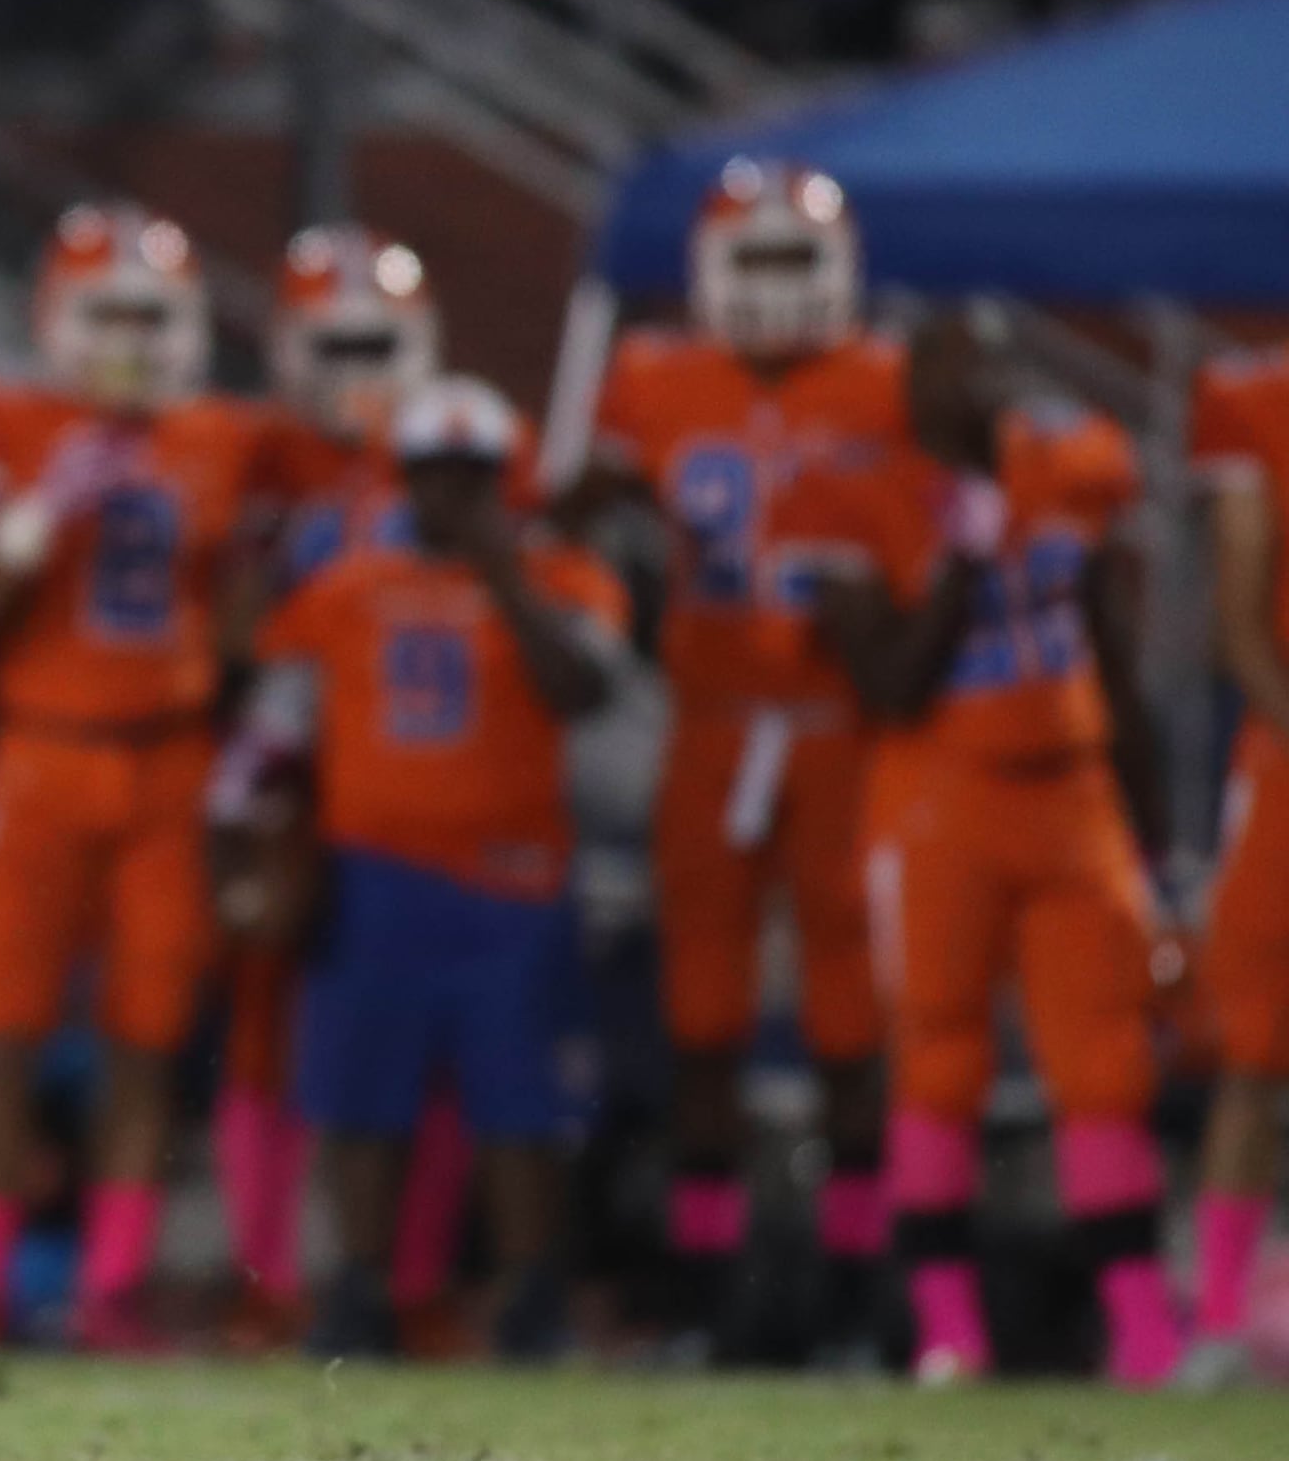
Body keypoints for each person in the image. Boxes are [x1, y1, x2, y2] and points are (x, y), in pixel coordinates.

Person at [790, 308, 1182, 1388]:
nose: (977, 388)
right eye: (951, 366)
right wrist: (965, 552)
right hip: (936, 800)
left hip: (1072, 790)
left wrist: (1157, 844)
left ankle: (1146, 1333)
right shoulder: (854, 491)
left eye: (991, 363)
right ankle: (947, 1328)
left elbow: (1110, 651)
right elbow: (891, 686)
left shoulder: (1072, 464)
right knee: (940, 1059)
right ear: (908, 384)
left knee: (1104, 1067)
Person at [0, 204, 287, 1351]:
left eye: (152, 314)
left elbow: (243, 631)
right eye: (109, 312)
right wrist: (37, 517)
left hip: (170, 762)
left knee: (147, 1040)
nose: (132, 337)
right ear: (56, 321)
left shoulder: (226, 437)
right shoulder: (3, 419)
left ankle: (109, 1290)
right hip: (37, 754)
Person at [570, 159, 903, 1360]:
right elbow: (572, 509)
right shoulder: (654, 378)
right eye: (748, 260)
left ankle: (862, 1292)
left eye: (789, 259)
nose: (769, 288)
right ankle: (704, 1291)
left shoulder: (891, 384)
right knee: (701, 1021)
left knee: (852, 1031)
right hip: (712, 732)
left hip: (843, 735)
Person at [240, 375, 625, 1361]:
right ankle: (358, 1294)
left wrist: (504, 576)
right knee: (360, 1099)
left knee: (520, 1108)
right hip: (373, 871)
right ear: (403, 477)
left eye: (474, 474)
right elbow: (277, 732)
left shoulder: (567, 579)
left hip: (515, 878)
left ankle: (532, 1298)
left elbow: (583, 689)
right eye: (434, 473)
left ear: (510, 478)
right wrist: (253, 849)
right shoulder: (346, 589)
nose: (453, 494)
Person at [211, 223, 441, 1343]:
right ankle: (271, 1280)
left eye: (375, 345)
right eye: (333, 346)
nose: (356, 376)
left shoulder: (455, 453)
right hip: (295, 768)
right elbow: (230, 632)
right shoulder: (254, 453)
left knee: (422, 1034)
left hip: (425, 771)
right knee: (264, 1023)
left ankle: (408, 1284)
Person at [1186, 338, 1289, 1388]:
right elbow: (1240, 618)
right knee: (1255, 1054)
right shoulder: (1257, 397)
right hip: (1286, 759)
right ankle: (1218, 1315)